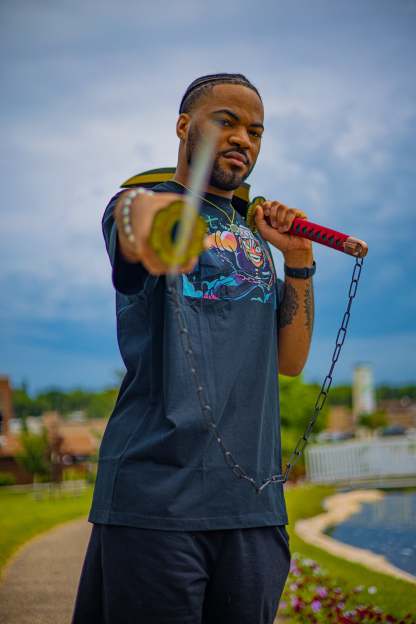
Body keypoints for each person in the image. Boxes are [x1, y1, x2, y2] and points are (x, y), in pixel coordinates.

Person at [72, 73, 315, 624]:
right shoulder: (141, 203)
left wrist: (299, 259)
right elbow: (136, 240)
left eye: (255, 131)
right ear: (184, 126)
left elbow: (291, 361)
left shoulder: (257, 242)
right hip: (157, 498)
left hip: (253, 505)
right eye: (225, 121)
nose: (242, 139)